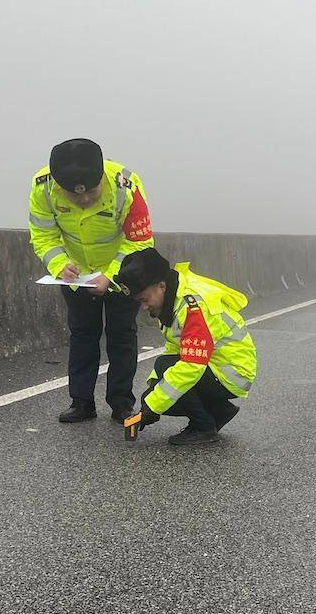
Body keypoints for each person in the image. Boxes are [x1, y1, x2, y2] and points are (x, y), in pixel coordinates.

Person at [27, 139, 155, 423]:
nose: (84, 200)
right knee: (82, 335)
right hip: (77, 275)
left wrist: (110, 275)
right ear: (59, 186)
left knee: (122, 336)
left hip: (123, 271)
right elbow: (43, 235)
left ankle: (121, 403)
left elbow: (141, 241)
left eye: (91, 192)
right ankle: (81, 402)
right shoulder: (42, 187)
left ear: (101, 178)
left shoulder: (126, 187)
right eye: (74, 195)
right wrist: (59, 265)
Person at [115, 249, 257, 447]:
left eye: (144, 300)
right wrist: (153, 389)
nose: (144, 308)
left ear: (161, 286)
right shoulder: (172, 299)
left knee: (167, 381)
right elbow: (175, 350)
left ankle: (204, 427)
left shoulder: (192, 308)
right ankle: (219, 411)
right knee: (160, 386)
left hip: (231, 372)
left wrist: (153, 406)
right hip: (218, 367)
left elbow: (191, 365)